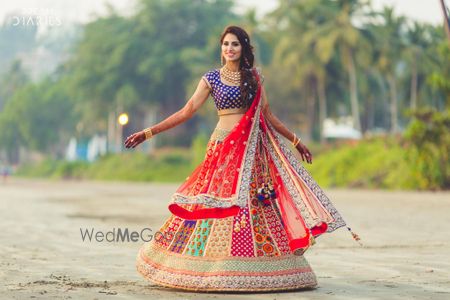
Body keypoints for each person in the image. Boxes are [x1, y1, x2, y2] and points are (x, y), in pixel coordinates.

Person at [124, 25, 359, 292]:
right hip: (222, 148)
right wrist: (148, 132)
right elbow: (187, 110)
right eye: (225, 44)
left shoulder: (254, 78)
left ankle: (258, 263)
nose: (229, 49)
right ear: (221, 48)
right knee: (215, 201)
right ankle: (206, 263)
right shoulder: (211, 78)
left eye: (235, 44)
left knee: (253, 205)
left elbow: (268, 115)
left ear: (243, 48)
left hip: (252, 150)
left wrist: (296, 141)